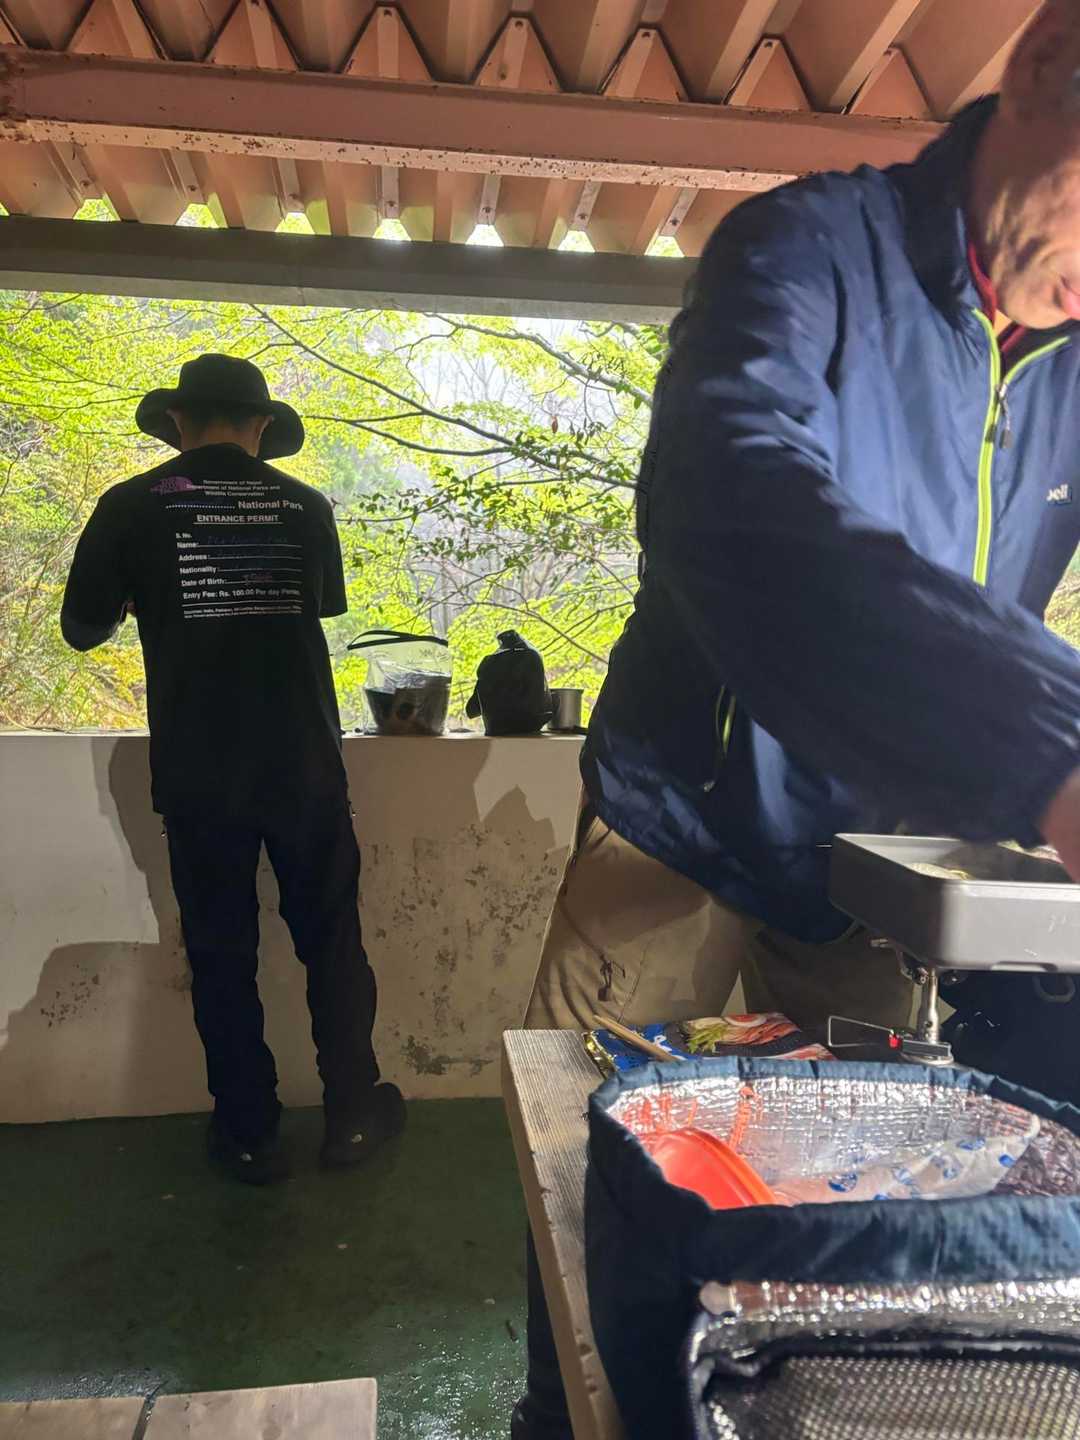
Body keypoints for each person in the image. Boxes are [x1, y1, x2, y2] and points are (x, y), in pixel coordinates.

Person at [513, 2, 1080, 1434]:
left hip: (874, 876)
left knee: (857, 1231)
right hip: (680, 831)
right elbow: (734, 502)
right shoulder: (807, 249)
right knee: (594, 1190)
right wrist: (1050, 746)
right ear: (1042, 73)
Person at [61, 353, 405, 1184]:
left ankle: (248, 1132)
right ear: (262, 426)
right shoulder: (304, 505)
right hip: (303, 762)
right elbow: (315, 606)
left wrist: (143, 597)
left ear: (178, 421)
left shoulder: (130, 506)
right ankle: (352, 1119)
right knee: (332, 941)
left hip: (201, 767)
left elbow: (81, 629)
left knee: (221, 951)